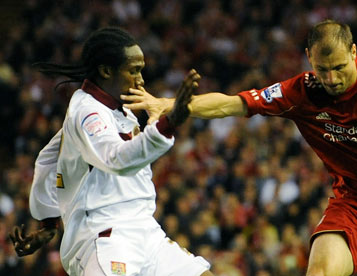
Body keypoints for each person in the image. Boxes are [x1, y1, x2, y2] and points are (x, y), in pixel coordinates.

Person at [122, 20, 357, 276]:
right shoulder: (300, 92)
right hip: (355, 204)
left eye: (340, 67)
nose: (333, 78)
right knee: (320, 270)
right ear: (309, 59)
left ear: (354, 52)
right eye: (323, 70)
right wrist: (169, 103)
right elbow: (232, 104)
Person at [10, 27, 213, 276]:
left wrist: (48, 222)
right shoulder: (88, 112)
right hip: (105, 235)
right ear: (106, 71)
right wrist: (167, 124)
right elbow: (116, 159)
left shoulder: (118, 108)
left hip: (145, 230)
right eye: (134, 71)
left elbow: (49, 157)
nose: (141, 80)